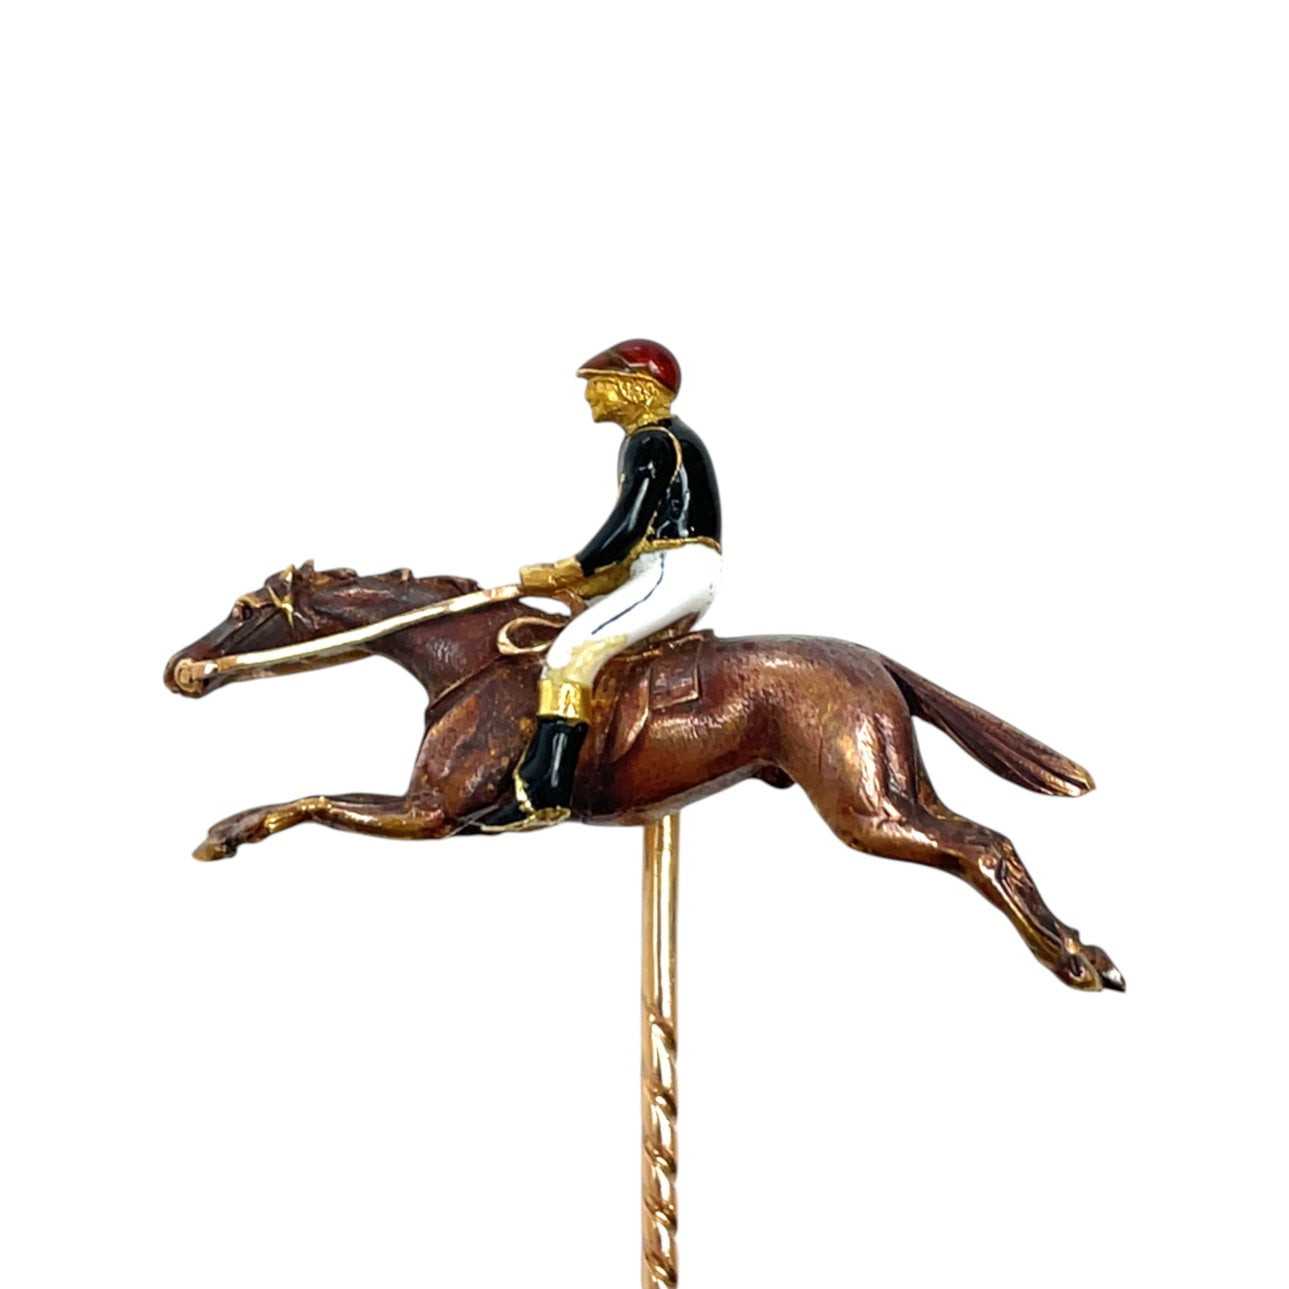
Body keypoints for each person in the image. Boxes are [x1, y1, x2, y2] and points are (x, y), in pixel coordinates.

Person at [478, 339, 722, 831]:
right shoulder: (659, 438)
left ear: (632, 388)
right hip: (661, 567)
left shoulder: (653, 441)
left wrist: (565, 571)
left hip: (672, 570)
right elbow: (636, 541)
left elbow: (627, 528)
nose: (590, 397)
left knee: (571, 652)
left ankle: (545, 792)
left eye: (599, 386)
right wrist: (585, 584)